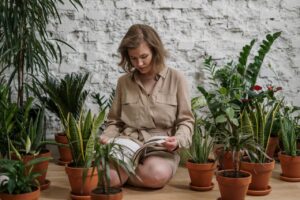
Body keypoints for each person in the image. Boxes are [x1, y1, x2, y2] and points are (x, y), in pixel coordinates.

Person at [100, 24, 194, 189]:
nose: (139, 63)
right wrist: (107, 137)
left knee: (156, 174)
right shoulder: (124, 82)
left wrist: (177, 141)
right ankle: (123, 174)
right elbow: (114, 121)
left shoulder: (176, 79)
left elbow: (186, 120)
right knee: (109, 177)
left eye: (144, 56)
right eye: (133, 58)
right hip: (127, 142)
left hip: (160, 147)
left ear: (155, 52)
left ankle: (125, 174)